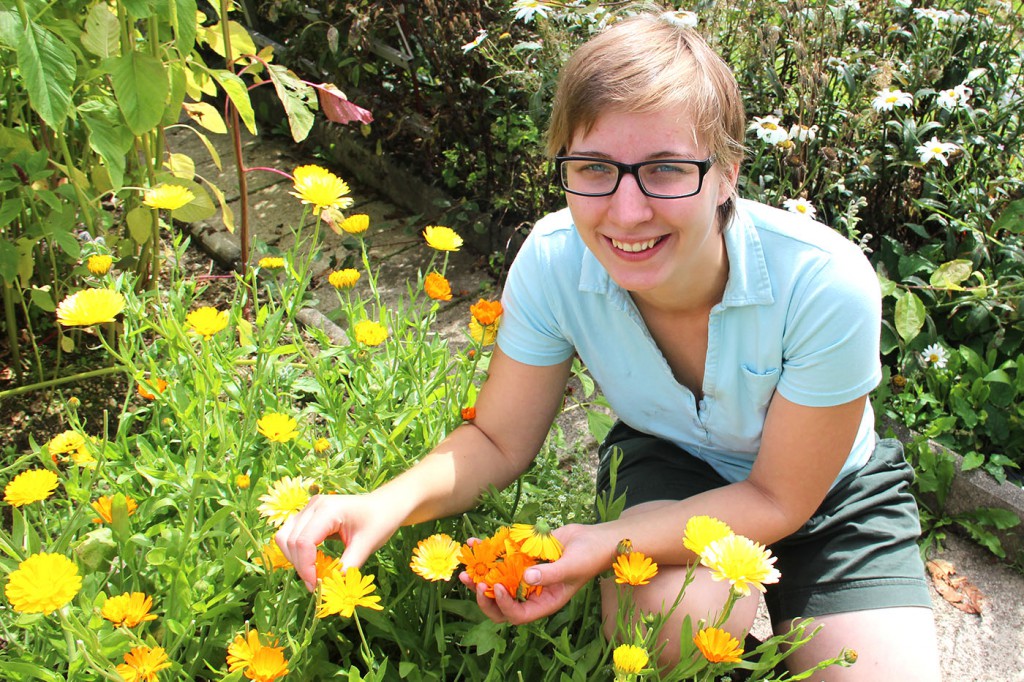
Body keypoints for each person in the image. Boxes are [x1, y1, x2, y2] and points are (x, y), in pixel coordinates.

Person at [276, 11, 941, 680]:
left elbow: (777, 500)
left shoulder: (823, 281)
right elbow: (498, 439)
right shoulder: (554, 260)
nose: (626, 212)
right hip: (674, 465)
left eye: (666, 169)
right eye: (593, 167)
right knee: (674, 622)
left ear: (727, 172)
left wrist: (599, 542)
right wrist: (382, 504)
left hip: (829, 494)